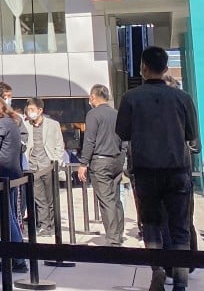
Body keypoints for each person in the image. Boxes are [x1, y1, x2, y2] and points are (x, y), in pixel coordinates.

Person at [117, 46, 199, 291]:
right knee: (180, 227)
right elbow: (193, 136)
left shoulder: (130, 98)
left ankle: (158, 270)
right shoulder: (182, 98)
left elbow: (122, 132)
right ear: (165, 68)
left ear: (143, 67)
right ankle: (181, 282)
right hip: (177, 170)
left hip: (146, 170)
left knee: (151, 225)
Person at [76, 84, 125, 246]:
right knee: (115, 198)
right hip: (116, 159)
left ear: (92, 97)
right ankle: (118, 233)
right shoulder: (117, 114)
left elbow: (89, 140)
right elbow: (124, 139)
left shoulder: (93, 114)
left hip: (100, 160)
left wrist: (84, 163)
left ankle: (112, 239)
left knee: (106, 200)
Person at [0, 95, 26, 274]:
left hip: (0, 176)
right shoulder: (11, 122)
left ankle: (19, 258)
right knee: (10, 217)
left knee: (5, 217)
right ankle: (16, 256)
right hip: (12, 175)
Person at [22, 97, 65, 236]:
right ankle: (44, 226)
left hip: (48, 165)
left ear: (40, 110)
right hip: (33, 167)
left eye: (32, 109)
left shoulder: (53, 125)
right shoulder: (25, 125)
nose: (30, 112)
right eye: (29, 110)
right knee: (39, 199)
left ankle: (52, 225)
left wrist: (57, 160)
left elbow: (59, 144)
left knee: (50, 198)